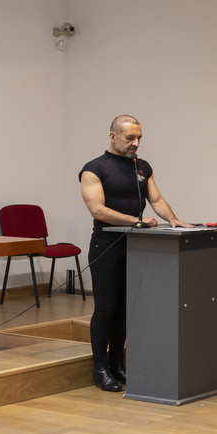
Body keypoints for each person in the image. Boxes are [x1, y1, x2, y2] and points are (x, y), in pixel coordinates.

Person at [80, 115, 193, 393]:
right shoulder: (94, 168)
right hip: (106, 245)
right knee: (106, 309)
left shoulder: (141, 167)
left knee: (125, 310)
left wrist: (173, 219)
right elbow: (98, 210)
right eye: (130, 138)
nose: (136, 143)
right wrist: (135, 221)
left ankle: (118, 363)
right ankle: (101, 368)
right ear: (113, 136)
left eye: (139, 137)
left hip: (135, 246)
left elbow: (154, 200)